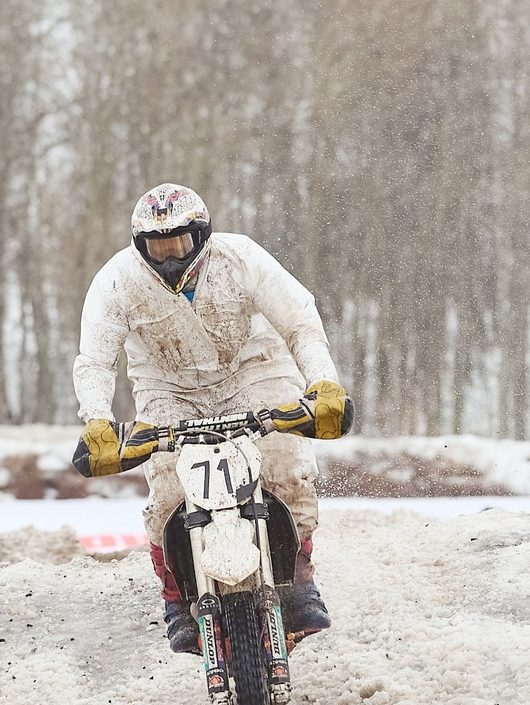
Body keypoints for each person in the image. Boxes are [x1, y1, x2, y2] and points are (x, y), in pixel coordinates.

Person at [71, 183, 352, 654]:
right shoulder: (116, 279)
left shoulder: (240, 257)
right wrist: (98, 420)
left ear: (200, 236)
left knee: (286, 468)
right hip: (167, 388)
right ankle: (178, 598)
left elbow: (299, 319)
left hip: (254, 369)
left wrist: (323, 383)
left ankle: (299, 576)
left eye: (178, 244)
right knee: (166, 492)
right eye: (156, 246)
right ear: (139, 244)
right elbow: (95, 360)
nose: (168, 258)